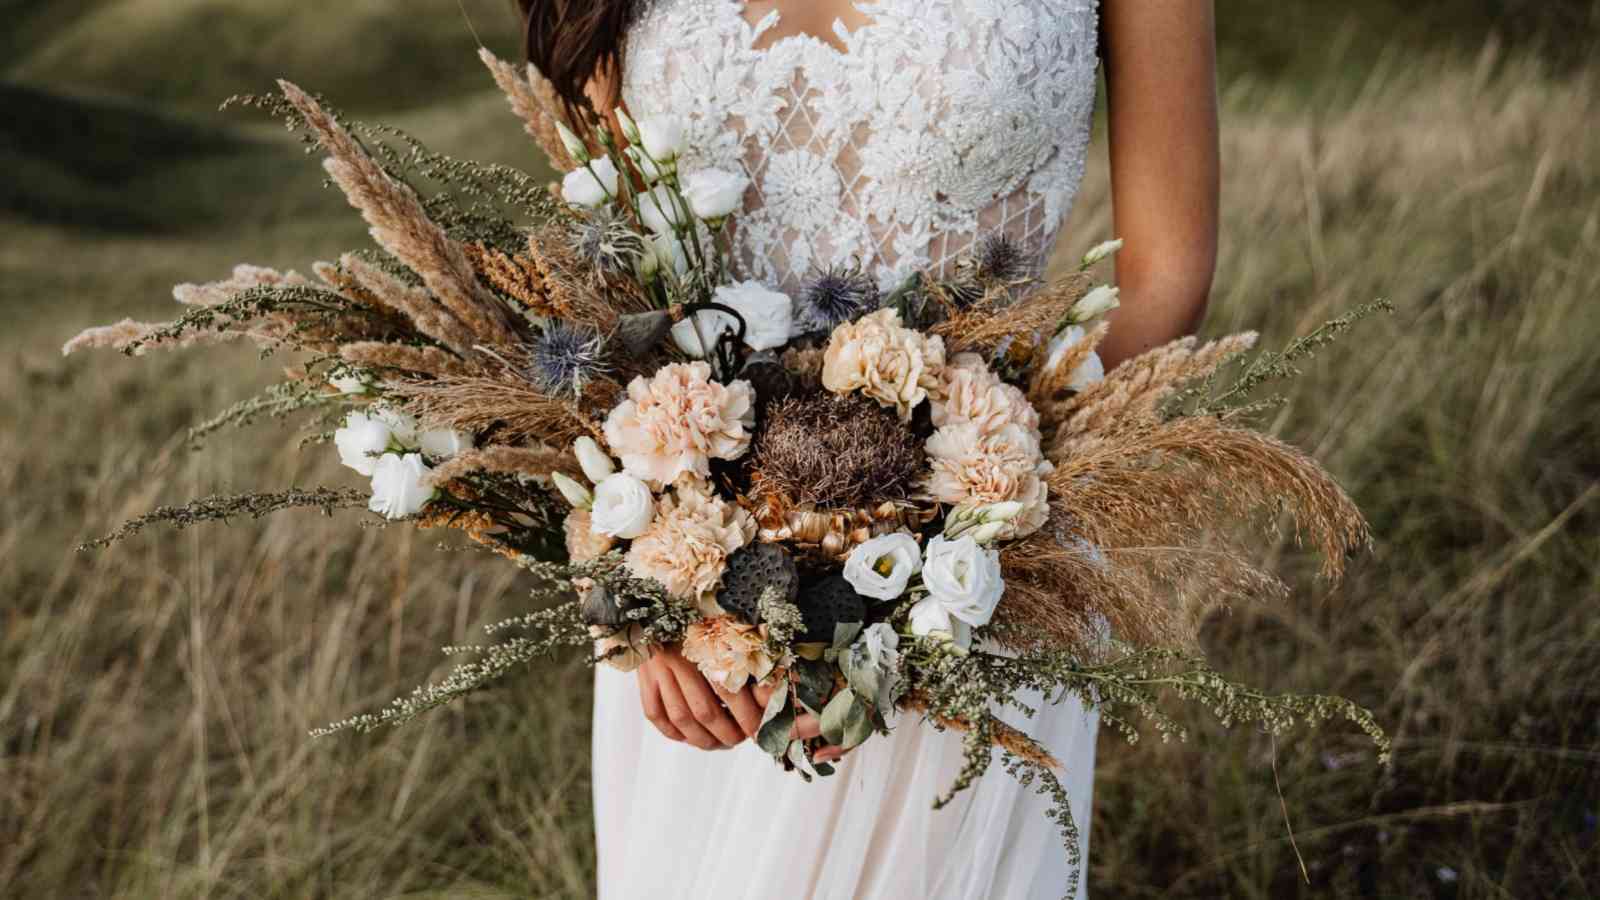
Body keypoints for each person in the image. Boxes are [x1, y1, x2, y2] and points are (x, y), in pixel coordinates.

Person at [519, 1, 1219, 896]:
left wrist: (979, 514)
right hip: (702, 624)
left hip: (978, 589)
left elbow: (1165, 277)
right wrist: (632, 582)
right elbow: (606, 274)